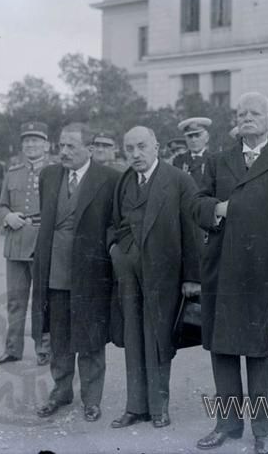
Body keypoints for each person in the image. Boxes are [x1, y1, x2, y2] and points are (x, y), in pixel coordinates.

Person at [192, 92, 268, 454]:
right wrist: (218, 208)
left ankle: (263, 430)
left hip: (266, 274)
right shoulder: (217, 160)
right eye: (241, 113)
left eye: (254, 113)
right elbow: (196, 205)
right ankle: (227, 425)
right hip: (222, 271)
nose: (247, 118)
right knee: (223, 351)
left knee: (261, 354)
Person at [107, 126, 201, 429]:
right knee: (132, 336)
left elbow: (193, 233)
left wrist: (192, 277)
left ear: (156, 147)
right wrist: (115, 250)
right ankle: (136, 407)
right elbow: (114, 222)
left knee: (158, 339)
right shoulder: (124, 180)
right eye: (130, 148)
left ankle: (159, 407)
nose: (136, 154)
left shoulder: (179, 180)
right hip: (128, 272)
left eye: (142, 147)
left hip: (164, 273)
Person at [33, 122, 119, 422]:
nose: (63, 152)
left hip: (91, 272)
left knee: (92, 338)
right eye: (61, 145)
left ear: (89, 149)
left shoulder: (109, 178)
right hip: (55, 270)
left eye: (71, 146)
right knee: (59, 336)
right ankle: (61, 391)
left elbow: (115, 226)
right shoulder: (49, 175)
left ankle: (92, 399)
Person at [0, 122, 52, 366]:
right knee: (15, 300)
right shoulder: (12, 173)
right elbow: (1, 205)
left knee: (42, 300)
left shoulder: (55, 171)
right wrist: (7, 216)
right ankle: (12, 349)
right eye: (27, 141)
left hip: (42, 242)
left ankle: (44, 349)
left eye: (36, 140)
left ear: (46, 145)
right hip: (15, 245)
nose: (31, 145)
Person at [173, 117, 212, 188]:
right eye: (190, 136)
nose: (193, 140)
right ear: (186, 139)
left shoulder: (214, 160)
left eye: (197, 135)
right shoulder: (178, 161)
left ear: (207, 138)